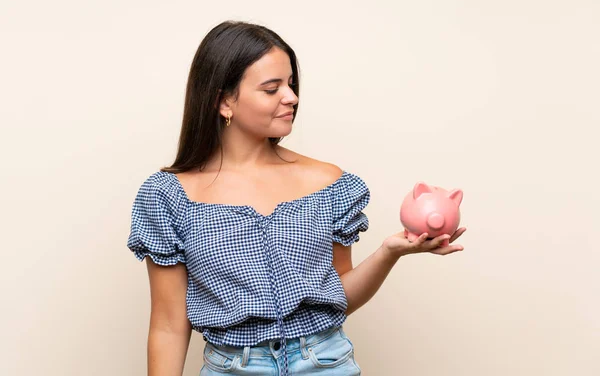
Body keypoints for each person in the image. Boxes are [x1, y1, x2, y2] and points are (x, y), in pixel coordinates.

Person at [126, 20, 466, 376]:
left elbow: (339, 299)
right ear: (224, 102)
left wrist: (389, 253)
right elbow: (168, 326)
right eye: (271, 88)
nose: (291, 97)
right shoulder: (168, 196)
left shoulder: (328, 183)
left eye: (290, 84)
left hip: (327, 364)